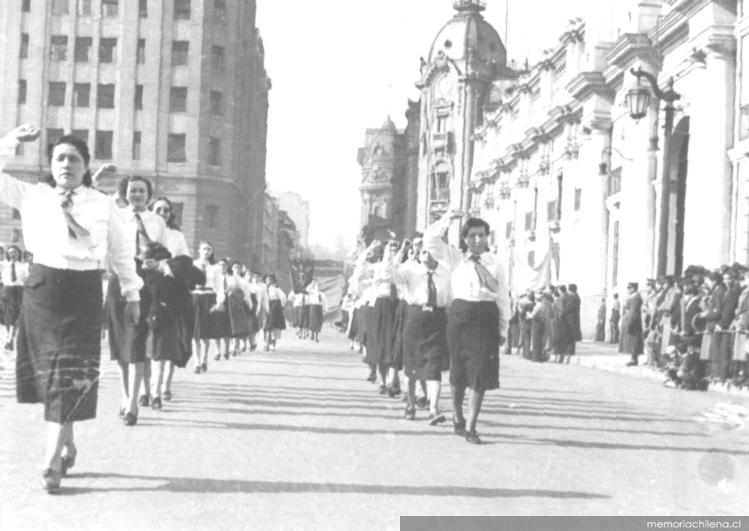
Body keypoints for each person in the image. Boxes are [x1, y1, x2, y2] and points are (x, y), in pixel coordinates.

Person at [1, 124, 142, 491]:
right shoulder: (32, 195)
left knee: (69, 374)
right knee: (53, 379)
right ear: (51, 163)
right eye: (60, 157)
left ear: (85, 166)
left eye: (74, 159)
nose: (66, 164)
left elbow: (123, 253)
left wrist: (132, 294)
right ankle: (67, 441)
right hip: (43, 291)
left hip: (83, 291)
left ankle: (49, 462)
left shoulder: (102, 203)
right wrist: (13, 141)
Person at [424, 210, 510, 445]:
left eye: (481, 235)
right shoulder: (454, 258)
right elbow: (430, 240)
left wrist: (503, 328)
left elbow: (502, 296)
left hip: (486, 317)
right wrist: (447, 219)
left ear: (487, 237)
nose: (477, 240)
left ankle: (471, 426)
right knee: (459, 371)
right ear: (465, 239)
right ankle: (457, 413)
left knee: (480, 373)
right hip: (461, 317)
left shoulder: (496, 264)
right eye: (472, 236)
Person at [106, 175, 167, 422]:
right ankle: (124, 396)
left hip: (144, 283)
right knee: (121, 344)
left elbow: (164, 253)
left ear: (148, 194)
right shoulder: (117, 216)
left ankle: (132, 406)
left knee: (137, 341)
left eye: (142, 191)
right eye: (133, 191)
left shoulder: (157, 221)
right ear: (125, 193)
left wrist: (158, 263)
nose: (138, 195)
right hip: (119, 280)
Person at [385, 239, 450, 423]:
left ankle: (433, 409)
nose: (426, 255)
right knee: (411, 367)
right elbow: (389, 274)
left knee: (434, 365)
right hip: (415, 320)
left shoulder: (445, 273)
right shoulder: (410, 271)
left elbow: (451, 297)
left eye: (430, 251)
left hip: (436, 321)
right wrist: (395, 253)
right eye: (423, 252)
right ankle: (411, 405)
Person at [150, 197, 191, 400]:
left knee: (169, 340)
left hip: (170, 290)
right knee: (148, 340)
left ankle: (165, 385)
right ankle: (146, 388)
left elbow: (185, 261)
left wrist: (170, 268)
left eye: (166, 210)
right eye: (158, 209)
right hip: (148, 288)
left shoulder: (177, 235)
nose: (163, 213)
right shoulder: (144, 230)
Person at [192, 241, 219, 372]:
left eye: (209, 249)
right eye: (204, 249)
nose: (206, 251)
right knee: (195, 333)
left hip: (208, 298)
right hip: (196, 297)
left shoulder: (215, 267)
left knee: (206, 334)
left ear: (211, 252)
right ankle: (196, 362)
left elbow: (219, 287)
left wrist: (218, 303)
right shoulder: (193, 265)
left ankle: (204, 359)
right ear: (199, 250)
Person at [1, 245, 29, 350]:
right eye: (10, 252)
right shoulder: (3, 265)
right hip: (6, 291)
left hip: (18, 291)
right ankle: (9, 337)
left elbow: (26, 280)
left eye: (15, 252)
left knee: (16, 316)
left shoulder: (24, 266)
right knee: (8, 316)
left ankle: (10, 339)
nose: (13, 254)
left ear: (19, 253)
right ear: (8, 254)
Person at [226, 261, 254, 356]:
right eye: (235, 267)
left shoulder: (243, 280)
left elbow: (247, 293)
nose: (237, 269)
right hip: (228, 303)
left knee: (237, 325)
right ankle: (231, 345)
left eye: (239, 268)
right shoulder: (228, 278)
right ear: (231, 268)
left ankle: (236, 346)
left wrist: (249, 303)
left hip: (238, 304)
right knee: (228, 325)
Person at [620, 283, 644, 366]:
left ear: (633, 289)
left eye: (629, 288)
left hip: (634, 321)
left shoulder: (635, 298)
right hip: (631, 319)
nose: (628, 289)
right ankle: (633, 358)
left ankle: (634, 359)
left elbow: (634, 312)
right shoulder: (632, 297)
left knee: (634, 341)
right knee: (632, 341)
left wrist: (629, 323)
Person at [264, 274, 287, 350]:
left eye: (270, 280)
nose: (269, 281)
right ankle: (266, 343)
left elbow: (283, 297)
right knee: (265, 326)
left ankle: (272, 344)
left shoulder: (276, 289)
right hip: (265, 306)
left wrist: (282, 305)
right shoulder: (262, 288)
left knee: (273, 326)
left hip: (274, 307)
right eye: (267, 280)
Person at [562, 283, 582, 362]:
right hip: (573, 319)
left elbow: (568, 308)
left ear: (571, 290)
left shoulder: (573, 298)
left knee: (570, 336)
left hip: (571, 319)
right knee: (571, 337)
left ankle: (569, 352)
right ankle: (570, 351)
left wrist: (562, 313)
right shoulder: (576, 297)